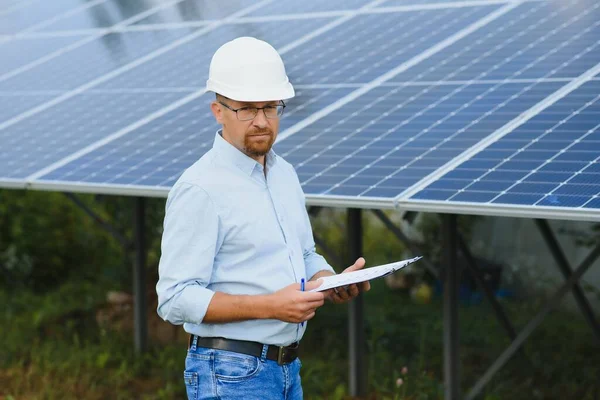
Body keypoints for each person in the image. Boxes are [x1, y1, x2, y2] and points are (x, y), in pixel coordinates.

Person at [156, 36, 371, 400]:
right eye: (247, 109)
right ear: (218, 110)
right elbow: (174, 298)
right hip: (229, 372)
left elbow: (303, 254)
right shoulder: (200, 188)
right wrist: (271, 306)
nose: (261, 121)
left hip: (287, 369)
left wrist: (327, 280)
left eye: (270, 107)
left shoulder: (285, 173)